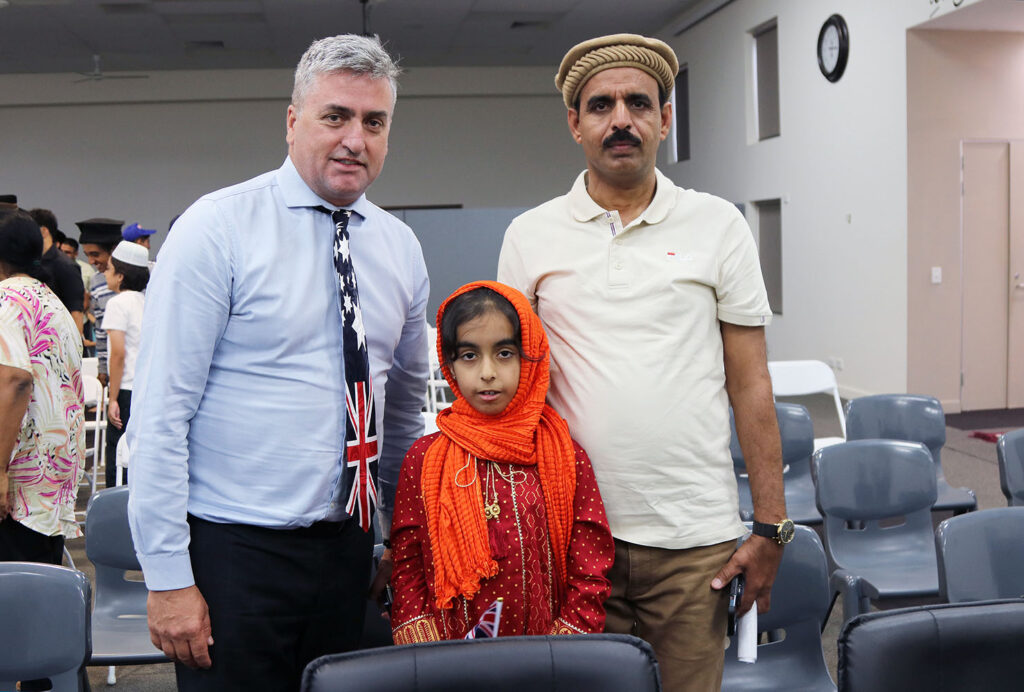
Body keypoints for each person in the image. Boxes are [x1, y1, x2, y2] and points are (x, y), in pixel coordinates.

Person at [127, 33, 429, 691]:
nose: (356, 138)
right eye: (336, 116)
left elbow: (402, 415)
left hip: (348, 555)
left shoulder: (401, 249)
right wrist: (168, 578)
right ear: (293, 121)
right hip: (236, 555)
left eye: (374, 122)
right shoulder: (218, 228)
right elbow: (159, 413)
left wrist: (400, 543)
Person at [497, 34, 788, 692]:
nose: (621, 119)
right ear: (575, 124)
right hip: (573, 542)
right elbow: (516, 398)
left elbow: (751, 386)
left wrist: (771, 526)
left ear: (665, 118)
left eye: (638, 102)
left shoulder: (718, 226)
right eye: (601, 105)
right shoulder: (530, 236)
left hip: (695, 547)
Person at [390, 281, 613, 643]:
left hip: (548, 656)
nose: (488, 372)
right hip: (449, 657)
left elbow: (590, 562)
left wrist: (565, 642)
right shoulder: (425, 457)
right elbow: (407, 560)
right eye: (469, 356)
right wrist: (423, 642)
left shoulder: (563, 454)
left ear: (530, 357)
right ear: (449, 364)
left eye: (504, 353)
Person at [0, 210, 85, 564]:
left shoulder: (5, 298)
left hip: (18, 481)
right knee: (38, 603)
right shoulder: (52, 303)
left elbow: (14, 379)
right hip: (51, 479)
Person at [100, 240, 149, 488]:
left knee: (117, 457)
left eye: (109, 269)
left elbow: (118, 353)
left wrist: (113, 398)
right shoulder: (147, 302)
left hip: (126, 390)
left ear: (120, 276)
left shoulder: (116, 303)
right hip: (146, 389)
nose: (105, 273)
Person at [77, 218, 124, 385]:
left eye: (95, 254)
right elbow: (101, 332)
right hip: (116, 375)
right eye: (87, 255)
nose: (91, 261)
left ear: (114, 250)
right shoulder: (96, 282)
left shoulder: (145, 277)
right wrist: (103, 370)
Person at [27, 208, 85, 336]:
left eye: (28, 230)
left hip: (60, 343)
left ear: (43, 231)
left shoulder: (65, 266)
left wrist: (73, 350)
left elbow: (76, 313)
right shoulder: (32, 263)